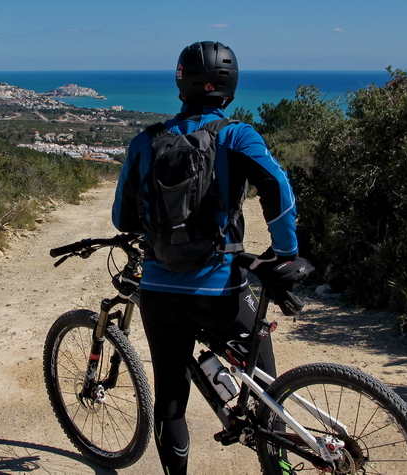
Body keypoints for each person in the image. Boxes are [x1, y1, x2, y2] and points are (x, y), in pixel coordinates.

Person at [112, 41, 299, 475]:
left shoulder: (146, 142)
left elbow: (122, 217)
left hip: (159, 290)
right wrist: (286, 253)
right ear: (230, 87)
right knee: (267, 384)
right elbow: (279, 192)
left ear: (180, 82)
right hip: (221, 289)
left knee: (171, 402)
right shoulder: (238, 135)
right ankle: (277, 461)